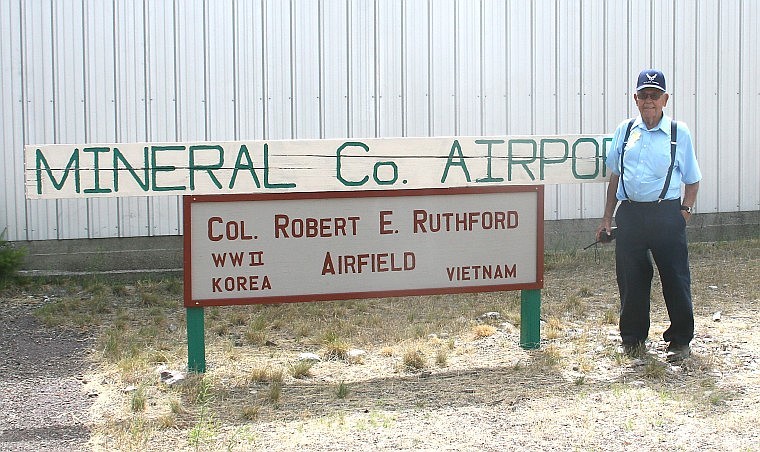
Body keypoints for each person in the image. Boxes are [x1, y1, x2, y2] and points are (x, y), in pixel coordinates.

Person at [596, 69, 702, 362]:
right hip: (630, 214)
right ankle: (632, 340)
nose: (648, 101)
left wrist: (685, 212)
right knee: (631, 278)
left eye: (654, 95)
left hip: (666, 214)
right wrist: (607, 217)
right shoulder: (626, 130)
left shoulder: (679, 133)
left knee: (675, 278)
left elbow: (693, 179)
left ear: (665, 99)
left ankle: (680, 341)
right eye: (643, 95)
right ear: (635, 98)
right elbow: (615, 176)